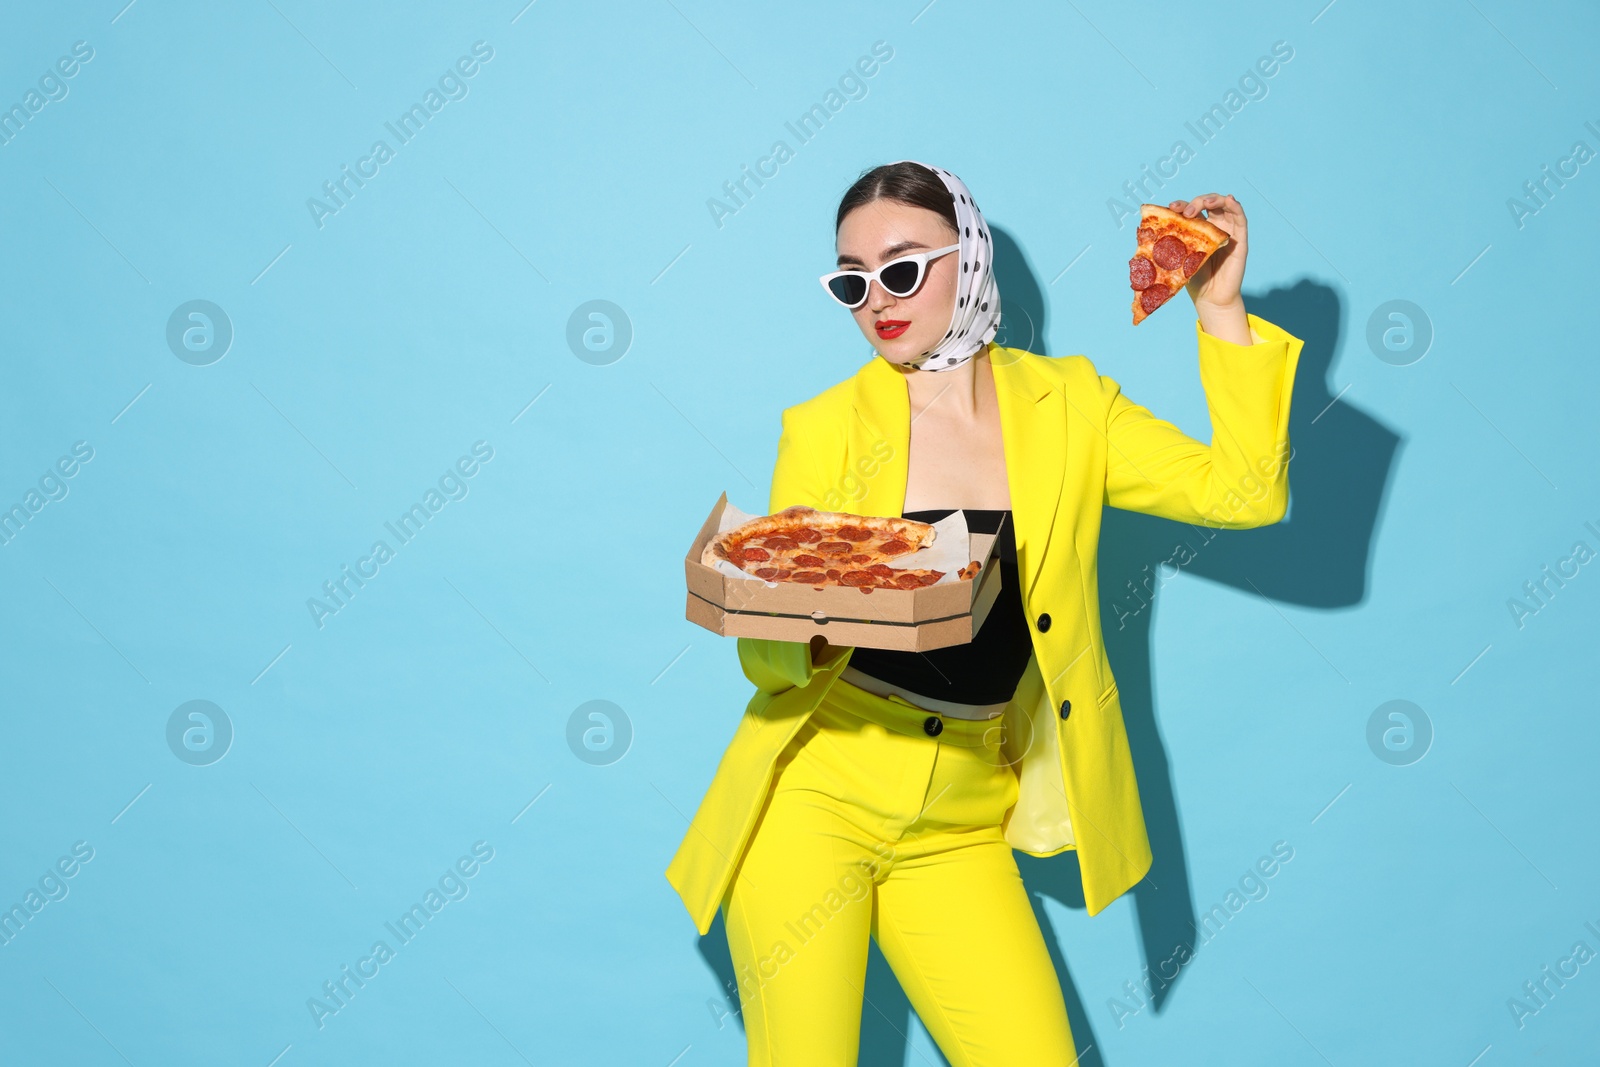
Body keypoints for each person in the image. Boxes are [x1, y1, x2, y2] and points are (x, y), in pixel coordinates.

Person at [666, 160, 1304, 1066]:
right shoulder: (825, 426)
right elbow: (767, 661)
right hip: (816, 800)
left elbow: (1245, 493)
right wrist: (789, 619)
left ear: (969, 257)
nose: (876, 300)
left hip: (963, 817)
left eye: (900, 268)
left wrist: (1219, 309)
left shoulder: (1072, 406)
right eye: (852, 280)